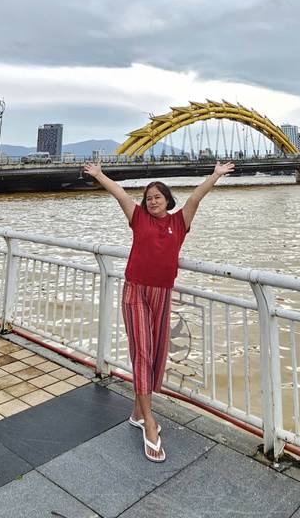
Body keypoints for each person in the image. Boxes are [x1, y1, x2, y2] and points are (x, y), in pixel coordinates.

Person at [82, 159, 235, 462]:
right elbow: (120, 195)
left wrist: (215, 175)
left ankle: (138, 413)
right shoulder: (138, 218)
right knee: (142, 352)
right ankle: (149, 424)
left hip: (163, 294)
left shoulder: (179, 222)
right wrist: (99, 175)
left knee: (157, 354)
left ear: (167, 200)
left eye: (157, 197)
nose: (152, 201)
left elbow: (195, 198)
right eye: (148, 197)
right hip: (136, 290)